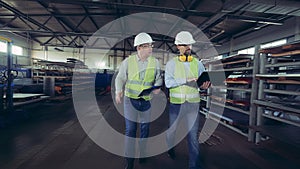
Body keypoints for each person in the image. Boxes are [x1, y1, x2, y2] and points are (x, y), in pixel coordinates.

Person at [115, 32, 162, 169]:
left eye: (151, 45)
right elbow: (120, 78)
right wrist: (119, 91)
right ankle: (129, 161)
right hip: (130, 101)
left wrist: (157, 86)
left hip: (146, 101)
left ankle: (142, 152)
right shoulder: (128, 62)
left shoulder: (155, 62)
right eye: (147, 46)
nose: (150, 48)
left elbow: (158, 77)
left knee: (145, 129)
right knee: (130, 130)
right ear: (139, 48)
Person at [164, 31, 210, 169]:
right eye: (185, 45)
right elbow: (168, 83)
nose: (188, 47)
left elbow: (202, 84)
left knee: (193, 136)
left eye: (189, 44)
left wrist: (204, 86)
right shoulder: (171, 64)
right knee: (172, 131)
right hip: (176, 105)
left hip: (193, 104)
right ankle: (170, 147)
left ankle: (193, 166)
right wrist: (185, 80)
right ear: (178, 46)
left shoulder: (198, 64)